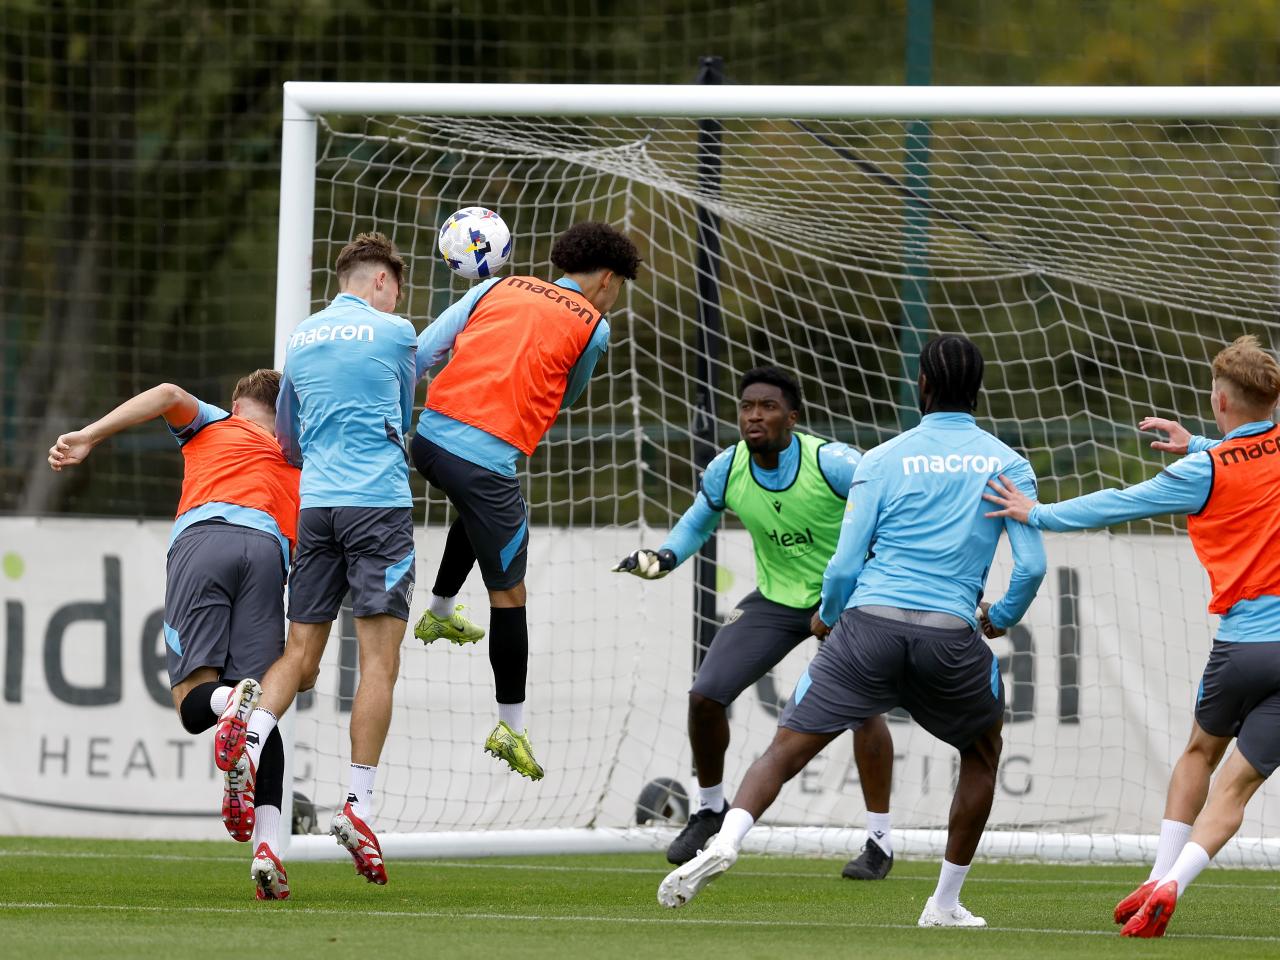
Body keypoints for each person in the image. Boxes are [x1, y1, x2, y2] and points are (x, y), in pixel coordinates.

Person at [658, 335, 1046, 928]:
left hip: (868, 624)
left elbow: (842, 566)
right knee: (983, 753)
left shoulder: (881, 459)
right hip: (949, 631)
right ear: (978, 390)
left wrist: (831, 617)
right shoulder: (1007, 464)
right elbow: (1033, 565)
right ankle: (942, 903)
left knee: (786, 746)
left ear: (921, 385)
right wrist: (1001, 615)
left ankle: (727, 839)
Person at [984, 334, 1280, 939]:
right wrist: (1199, 442)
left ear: (1221, 402)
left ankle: (1157, 874)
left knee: (1200, 752)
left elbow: (1116, 504)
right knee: (1239, 788)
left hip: (1240, 648)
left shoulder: (1204, 469)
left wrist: (1034, 513)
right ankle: (1173, 885)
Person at [614, 365, 896, 878]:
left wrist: (871, 582)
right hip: (776, 601)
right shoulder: (727, 468)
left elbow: (887, 506)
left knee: (864, 713)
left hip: (847, 603)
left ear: (793, 417)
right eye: (746, 407)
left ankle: (879, 843)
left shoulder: (831, 463)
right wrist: (667, 556)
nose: (754, 416)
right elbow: (701, 515)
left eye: (767, 407)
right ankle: (709, 809)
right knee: (705, 695)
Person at [47, 370, 300, 900]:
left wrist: (89, 436)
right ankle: (269, 846)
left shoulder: (218, 425)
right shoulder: (295, 460)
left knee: (193, 706)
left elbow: (166, 395)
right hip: (271, 552)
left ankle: (230, 700)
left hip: (206, 539)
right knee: (265, 717)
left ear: (237, 402)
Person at [411, 221, 641, 781]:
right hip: (485, 465)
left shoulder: (495, 287)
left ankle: (440, 612)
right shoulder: (595, 325)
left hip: (427, 439)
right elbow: (570, 390)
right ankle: (510, 727)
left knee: (476, 513)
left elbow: (419, 353)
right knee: (510, 596)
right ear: (607, 280)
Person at [233, 232, 418, 886]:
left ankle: (250, 737)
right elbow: (404, 421)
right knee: (378, 662)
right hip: (379, 507)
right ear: (379, 283)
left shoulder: (301, 339)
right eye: (396, 286)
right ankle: (359, 805)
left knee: (300, 656)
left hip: (316, 508)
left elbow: (285, 440)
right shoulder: (397, 333)